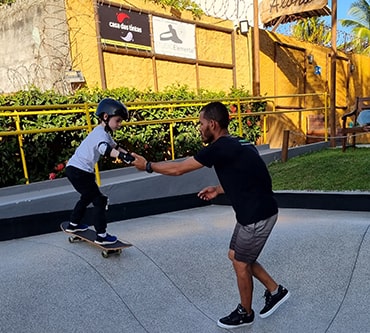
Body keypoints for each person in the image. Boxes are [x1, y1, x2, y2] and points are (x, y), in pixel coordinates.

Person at [131, 101, 290, 329]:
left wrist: (148, 166)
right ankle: (275, 290)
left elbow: (178, 169)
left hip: (256, 216)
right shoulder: (240, 143)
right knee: (236, 255)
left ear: (212, 124)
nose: (199, 128)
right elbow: (247, 176)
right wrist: (218, 189)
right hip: (255, 212)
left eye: (201, 123)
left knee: (241, 264)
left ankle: (245, 313)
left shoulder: (219, 147)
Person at [65, 98, 133, 245]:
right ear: (106, 117)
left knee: (87, 197)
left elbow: (115, 146)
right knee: (100, 200)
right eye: (118, 120)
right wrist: (121, 156)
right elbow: (105, 149)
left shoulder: (103, 133)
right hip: (79, 171)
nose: (120, 124)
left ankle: (73, 224)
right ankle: (101, 235)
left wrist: (129, 155)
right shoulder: (100, 135)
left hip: (76, 170)